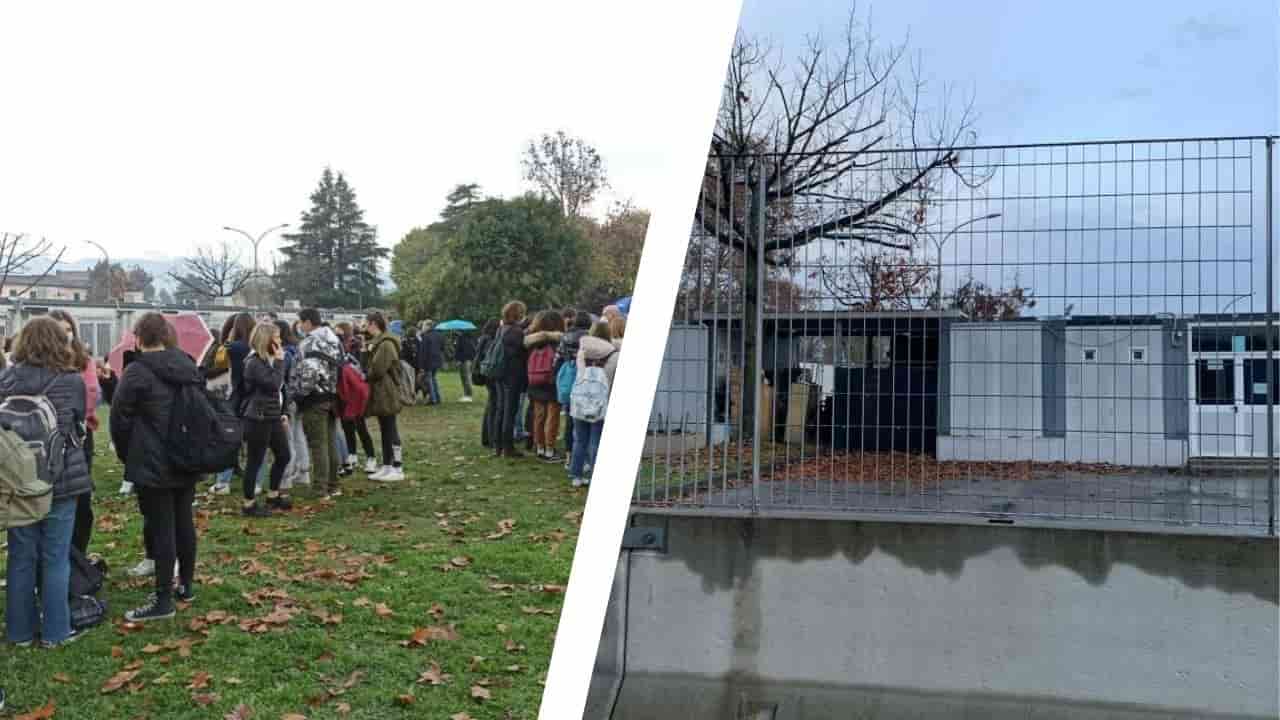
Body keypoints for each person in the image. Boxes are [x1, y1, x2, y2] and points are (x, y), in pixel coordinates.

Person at [2, 317, 93, 647]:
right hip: (61, 477)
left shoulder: (6, 379)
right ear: (60, 343)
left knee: (21, 555)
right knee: (56, 557)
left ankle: (19, 632)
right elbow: (79, 422)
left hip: (18, 479)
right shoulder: (71, 382)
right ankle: (56, 632)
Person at [109, 313, 202, 622]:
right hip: (186, 454)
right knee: (183, 521)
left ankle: (163, 598)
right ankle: (185, 584)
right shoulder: (187, 364)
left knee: (162, 527)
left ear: (139, 337)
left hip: (152, 459)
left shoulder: (136, 372)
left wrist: (129, 456)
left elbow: (119, 421)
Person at [48, 310, 101, 556]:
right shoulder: (40, 361)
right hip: (47, 435)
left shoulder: (83, 360)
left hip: (80, 435)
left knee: (81, 500)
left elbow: (92, 394)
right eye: (60, 330)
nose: (65, 335)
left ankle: (77, 554)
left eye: (69, 330)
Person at [238, 322, 293, 517]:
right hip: (258, 417)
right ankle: (248, 504)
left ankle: (273, 494)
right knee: (255, 460)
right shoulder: (253, 362)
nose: (280, 341)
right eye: (276, 338)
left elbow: (281, 389)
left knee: (284, 455)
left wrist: (284, 411)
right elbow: (273, 384)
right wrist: (279, 361)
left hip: (273, 415)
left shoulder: (268, 360)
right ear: (266, 340)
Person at [289, 309, 344, 500]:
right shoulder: (334, 340)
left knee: (317, 445)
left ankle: (320, 489)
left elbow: (309, 373)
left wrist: (298, 395)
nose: (299, 326)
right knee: (330, 443)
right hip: (332, 396)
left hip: (314, 398)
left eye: (300, 322)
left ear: (308, 322)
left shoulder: (310, 342)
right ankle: (334, 485)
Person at [569, 320, 620, 487]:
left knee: (579, 440)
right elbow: (611, 379)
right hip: (600, 401)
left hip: (579, 400)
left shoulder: (582, 351)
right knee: (596, 441)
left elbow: (579, 373)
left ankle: (575, 475)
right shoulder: (614, 355)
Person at [364, 312, 406, 481]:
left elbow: (378, 368)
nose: (364, 327)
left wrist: (366, 373)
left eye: (366, 323)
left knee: (390, 428)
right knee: (385, 428)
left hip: (387, 390)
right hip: (382, 390)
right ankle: (387, 465)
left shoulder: (386, 344)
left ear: (374, 324)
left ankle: (397, 467)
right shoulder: (380, 342)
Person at [334, 322, 377, 474]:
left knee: (361, 427)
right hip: (343, 394)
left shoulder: (356, 348)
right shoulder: (338, 349)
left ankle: (371, 457)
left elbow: (362, 368)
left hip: (356, 393)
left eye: (340, 332)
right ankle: (352, 455)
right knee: (347, 426)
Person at [524, 311, 565, 462]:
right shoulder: (558, 341)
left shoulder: (529, 341)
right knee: (552, 416)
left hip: (534, 379)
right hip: (551, 381)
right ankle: (550, 449)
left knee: (539, 415)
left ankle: (539, 446)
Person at [490, 301, 528, 458]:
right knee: (510, 411)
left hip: (498, 373)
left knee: (500, 409)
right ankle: (508, 448)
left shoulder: (501, 329)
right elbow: (521, 353)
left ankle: (497, 446)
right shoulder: (516, 332)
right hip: (511, 375)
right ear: (518, 314)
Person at [276, 321, 309, 489]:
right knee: (298, 435)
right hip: (299, 397)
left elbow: (282, 379)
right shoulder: (297, 349)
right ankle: (304, 471)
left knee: (288, 438)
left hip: (288, 399)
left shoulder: (285, 354)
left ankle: (286, 476)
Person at [556, 310, 592, 466]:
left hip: (568, 375)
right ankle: (583, 459)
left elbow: (558, 355)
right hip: (583, 376)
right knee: (584, 420)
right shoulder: (589, 338)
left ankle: (569, 456)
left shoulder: (565, 336)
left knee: (570, 419)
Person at [476, 320, 499, 448]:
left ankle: (487, 437)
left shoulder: (483, 339)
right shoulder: (490, 341)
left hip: (486, 374)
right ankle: (491, 437)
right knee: (493, 407)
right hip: (491, 375)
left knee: (491, 406)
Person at [417, 319, 444, 405]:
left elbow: (423, 352)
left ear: (428, 326)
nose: (422, 328)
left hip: (429, 361)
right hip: (437, 360)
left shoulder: (426, 336)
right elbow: (442, 348)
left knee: (429, 380)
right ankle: (437, 397)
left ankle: (433, 399)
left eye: (424, 326)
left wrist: (421, 366)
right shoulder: (439, 335)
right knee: (433, 379)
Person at [454, 328, 477, 402]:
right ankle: (466, 394)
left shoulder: (461, 338)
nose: (455, 331)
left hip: (464, 360)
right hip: (469, 360)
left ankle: (468, 395)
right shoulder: (470, 338)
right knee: (466, 378)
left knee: (466, 378)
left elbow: (461, 350)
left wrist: (459, 360)